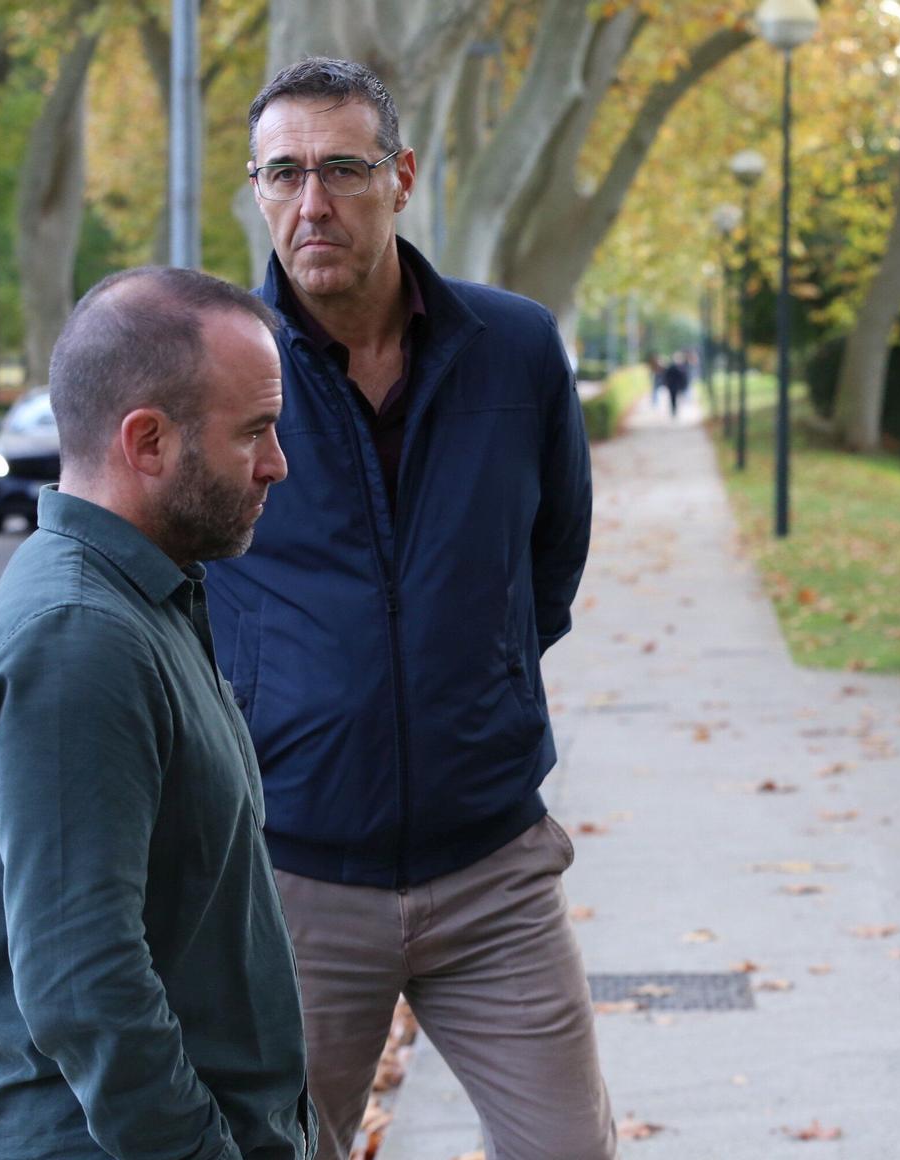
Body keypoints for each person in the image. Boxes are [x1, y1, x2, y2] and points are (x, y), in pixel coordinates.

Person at [214, 57, 611, 1159]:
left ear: (402, 176)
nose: (312, 202)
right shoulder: (220, 367)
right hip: (292, 881)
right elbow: (177, 586)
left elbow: (553, 554)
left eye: (342, 168)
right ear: (257, 189)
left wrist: (479, 671)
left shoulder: (516, 348)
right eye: (283, 173)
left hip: (492, 868)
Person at [0, 267, 311, 1157]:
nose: (277, 463)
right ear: (146, 440)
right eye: (254, 431)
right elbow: (82, 983)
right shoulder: (79, 639)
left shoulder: (141, 598)